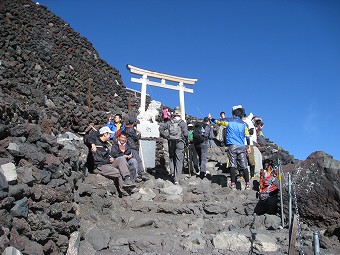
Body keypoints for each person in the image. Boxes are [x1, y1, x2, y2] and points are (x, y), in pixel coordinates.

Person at [84, 126, 134, 197]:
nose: (110, 135)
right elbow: (86, 137)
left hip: (107, 164)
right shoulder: (95, 141)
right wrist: (92, 144)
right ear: (105, 134)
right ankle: (124, 193)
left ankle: (127, 178)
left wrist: (112, 159)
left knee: (120, 159)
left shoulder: (105, 144)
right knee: (118, 172)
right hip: (99, 166)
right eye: (109, 134)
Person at [209, 106, 251, 190]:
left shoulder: (229, 122)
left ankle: (233, 184)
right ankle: (248, 184)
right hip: (242, 146)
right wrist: (248, 147)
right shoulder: (244, 124)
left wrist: (211, 118)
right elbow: (247, 136)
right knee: (244, 165)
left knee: (232, 164)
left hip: (232, 146)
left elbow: (218, 122)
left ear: (234, 114)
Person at [159, 108, 188, 184]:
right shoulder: (183, 123)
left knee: (172, 157)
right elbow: (186, 134)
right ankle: (177, 179)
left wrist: (167, 136)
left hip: (171, 141)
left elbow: (161, 128)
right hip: (180, 141)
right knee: (179, 159)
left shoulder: (169, 122)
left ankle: (172, 173)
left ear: (174, 114)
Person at [242, 112, 257, 179]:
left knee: (251, 159)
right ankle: (242, 175)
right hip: (241, 143)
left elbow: (252, 131)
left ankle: (252, 174)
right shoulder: (239, 121)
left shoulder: (248, 120)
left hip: (249, 142)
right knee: (242, 159)